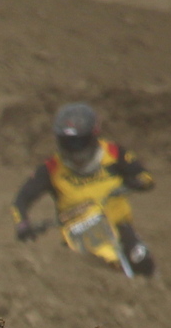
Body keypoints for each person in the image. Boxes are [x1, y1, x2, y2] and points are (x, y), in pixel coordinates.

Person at [11, 102, 157, 278]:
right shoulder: (51, 168)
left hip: (120, 227)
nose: (75, 148)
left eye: (80, 141)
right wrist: (23, 225)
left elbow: (146, 177)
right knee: (93, 271)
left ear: (93, 136)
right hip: (78, 233)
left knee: (143, 263)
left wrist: (134, 184)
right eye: (68, 143)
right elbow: (21, 200)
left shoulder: (113, 152)